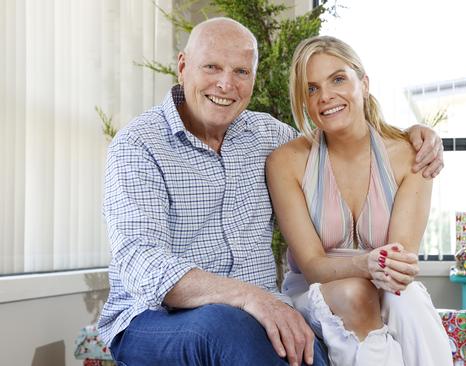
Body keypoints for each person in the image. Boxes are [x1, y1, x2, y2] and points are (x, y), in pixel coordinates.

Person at [98, 17, 444, 366]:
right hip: (157, 317)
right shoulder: (138, 145)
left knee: (307, 342)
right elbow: (140, 263)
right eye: (212, 67)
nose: (225, 84)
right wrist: (248, 297)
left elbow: (337, 140)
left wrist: (417, 135)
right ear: (183, 67)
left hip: (261, 312)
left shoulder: (268, 137)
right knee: (227, 325)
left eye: (240, 72)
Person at [266, 35, 453, 366]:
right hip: (318, 290)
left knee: (405, 299)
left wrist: (378, 268)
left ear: (363, 84)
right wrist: (365, 264)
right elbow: (312, 267)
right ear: (305, 102)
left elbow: (398, 265)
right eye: (311, 89)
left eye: (338, 79)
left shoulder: (410, 154)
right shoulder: (286, 162)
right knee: (356, 292)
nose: (325, 96)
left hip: (388, 288)